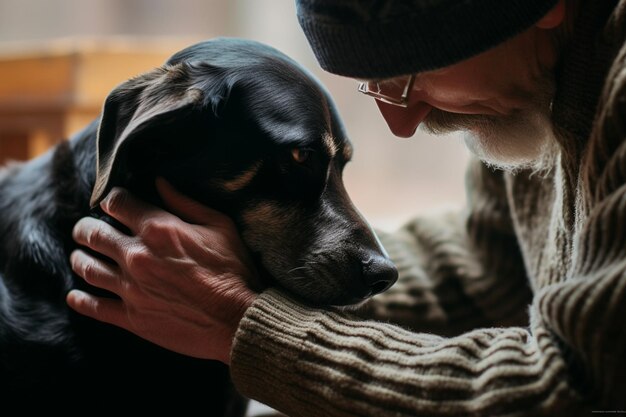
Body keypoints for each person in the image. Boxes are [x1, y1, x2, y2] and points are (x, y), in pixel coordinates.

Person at [66, 0, 626, 415]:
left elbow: (573, 387)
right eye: (373, 87)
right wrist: (256, 269)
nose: (402, 123)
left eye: (409, 75)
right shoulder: (528, 89)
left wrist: (243, 323)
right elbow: (487, 265)